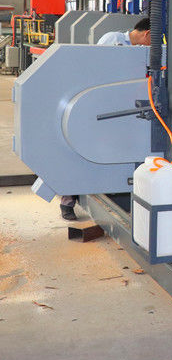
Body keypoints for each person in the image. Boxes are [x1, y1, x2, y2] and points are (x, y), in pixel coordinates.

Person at [59, 17, 152, 221]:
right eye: (152, 39)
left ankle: (110, 190)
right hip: (96, 107)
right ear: (147, 34)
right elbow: (98, 70)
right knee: (81, 153)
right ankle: (67, 202)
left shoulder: (139, 52)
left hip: (119, 110)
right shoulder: (113, 39)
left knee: (109, 153)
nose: (152, 45)